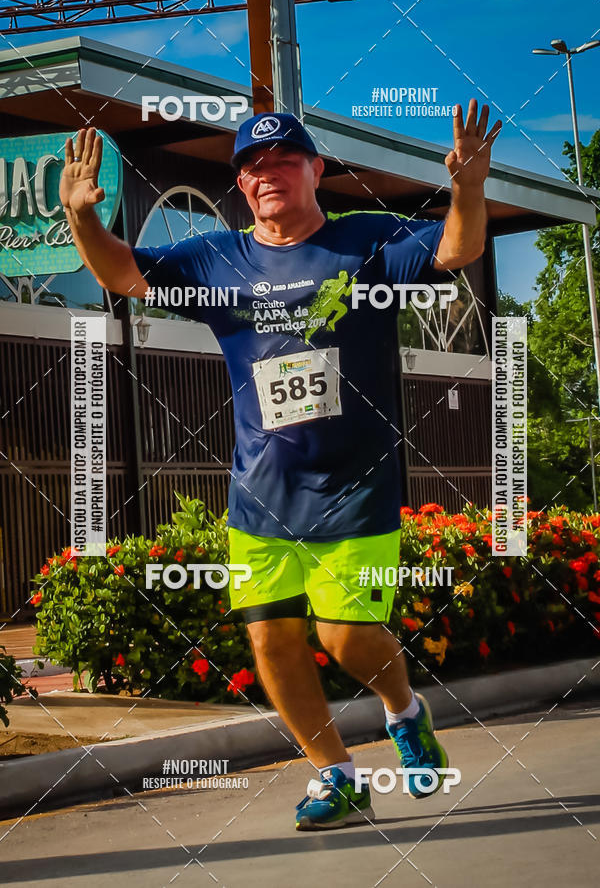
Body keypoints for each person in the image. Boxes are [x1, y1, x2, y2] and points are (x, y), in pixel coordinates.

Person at [60, 100, 501, 830]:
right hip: (261, 492)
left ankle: (405, 711)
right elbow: (125, 276)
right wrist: (83, 219)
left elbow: (456, 250)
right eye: (253, 167)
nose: (267, 174)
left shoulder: (368, 242)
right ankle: (336, 774)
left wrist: (468, 189)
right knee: (270, 639)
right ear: (242, 184)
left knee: (346, 636)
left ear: (315, 171)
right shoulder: (214, 258)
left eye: (283, 161)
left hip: (357, 484)